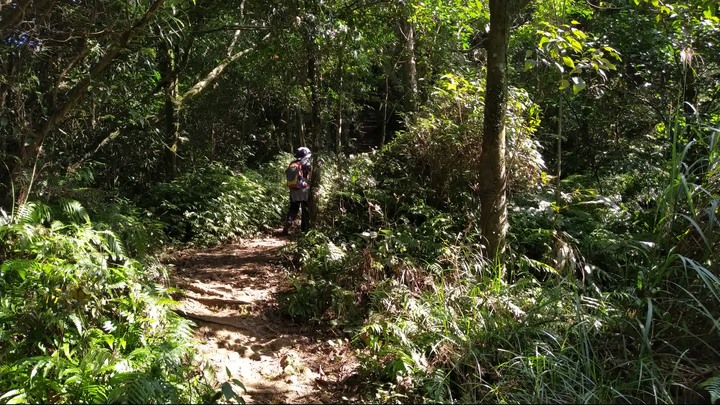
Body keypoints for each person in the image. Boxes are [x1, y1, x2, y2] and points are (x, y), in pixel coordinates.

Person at [282, 146, 312, 235]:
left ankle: (288, 223)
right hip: (304, 190)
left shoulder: (293, 163)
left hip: (293, 190)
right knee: (305, 210)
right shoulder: (307, 165)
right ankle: (304, 230)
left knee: (293, 209)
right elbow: (310, 177)